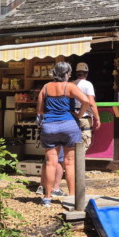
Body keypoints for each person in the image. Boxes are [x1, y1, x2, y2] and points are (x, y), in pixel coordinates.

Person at [36, 61, 95, 207]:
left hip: (49, 127)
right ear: (67, 74)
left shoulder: (45, 87)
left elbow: (40, 110)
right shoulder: (70, 87)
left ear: (54, 73)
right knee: (69, 163)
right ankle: (72, 197)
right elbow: (86, 101)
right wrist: (79, 115)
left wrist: (51, 114)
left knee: (51, 163)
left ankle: (47, 198)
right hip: (69, 125)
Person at [73, 62, 101, 150]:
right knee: (83, 146)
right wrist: (97, 119)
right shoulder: (88, 84)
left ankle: (72, 163)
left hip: (72, 117)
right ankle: (77, 164)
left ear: (76, 73)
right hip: (84, 118)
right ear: (87, 74)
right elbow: (91, 103)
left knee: (72, 145)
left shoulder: (71, 84)